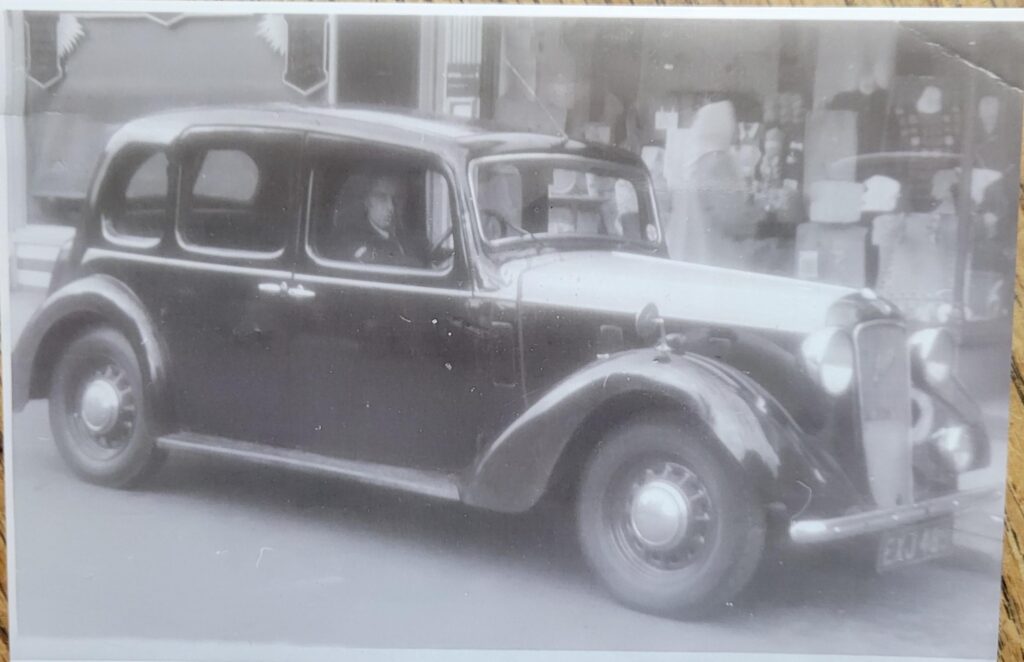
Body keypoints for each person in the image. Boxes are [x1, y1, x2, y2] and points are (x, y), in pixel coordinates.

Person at [327, 173, 422, 268]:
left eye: (396, 198)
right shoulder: (353, 239)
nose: (391, 207)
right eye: (382, 197)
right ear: (367, 201)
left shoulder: (408, 236)